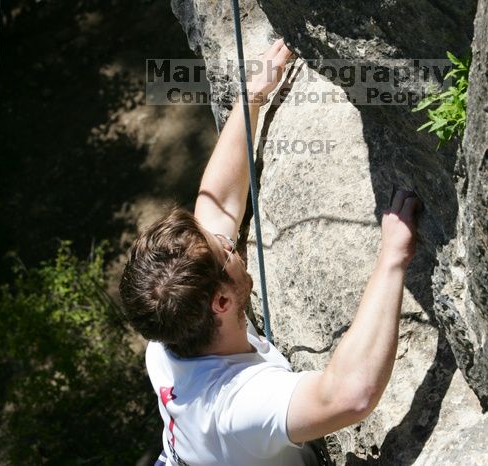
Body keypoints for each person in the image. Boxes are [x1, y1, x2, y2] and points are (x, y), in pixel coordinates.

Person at [119, 39, 421, 466]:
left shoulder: (166, 338)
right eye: (226, 249)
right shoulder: (238, 406)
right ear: (221, 301)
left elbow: (219, 204)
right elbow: (350, 394)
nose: (229, 238)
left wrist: (252, 97)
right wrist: (393, 256)